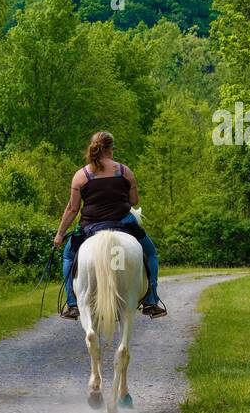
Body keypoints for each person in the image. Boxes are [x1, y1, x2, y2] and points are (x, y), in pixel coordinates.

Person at [52, 130, 166, 320]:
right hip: (123, 222)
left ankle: (72, 304)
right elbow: (134, 201)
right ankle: (151, 300)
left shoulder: (81, 175)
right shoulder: (124, 171)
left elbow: (73, 209)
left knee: (68, 256)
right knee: (151, 252)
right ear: (111, 149)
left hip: (90, 227)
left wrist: (59, 234)